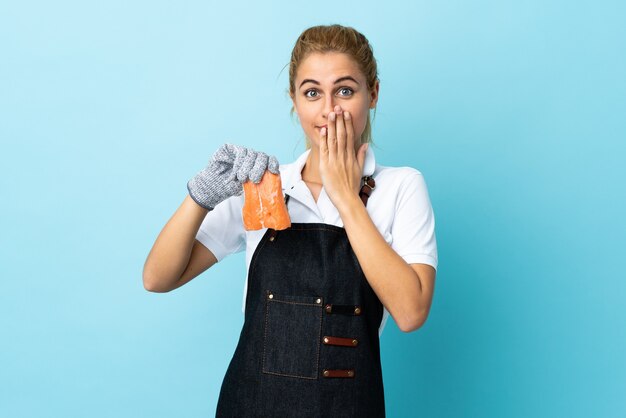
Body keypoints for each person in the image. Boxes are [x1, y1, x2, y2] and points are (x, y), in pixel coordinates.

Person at [143, 24, 438, 417]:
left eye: (345, 90)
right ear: (295, 101)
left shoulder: (401, 186)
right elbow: (158, 279)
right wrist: (200, 196)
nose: (329, 109)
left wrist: (347, 198)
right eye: (312, 92)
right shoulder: (265, 187)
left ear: (374, 95)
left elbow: (411, 312)